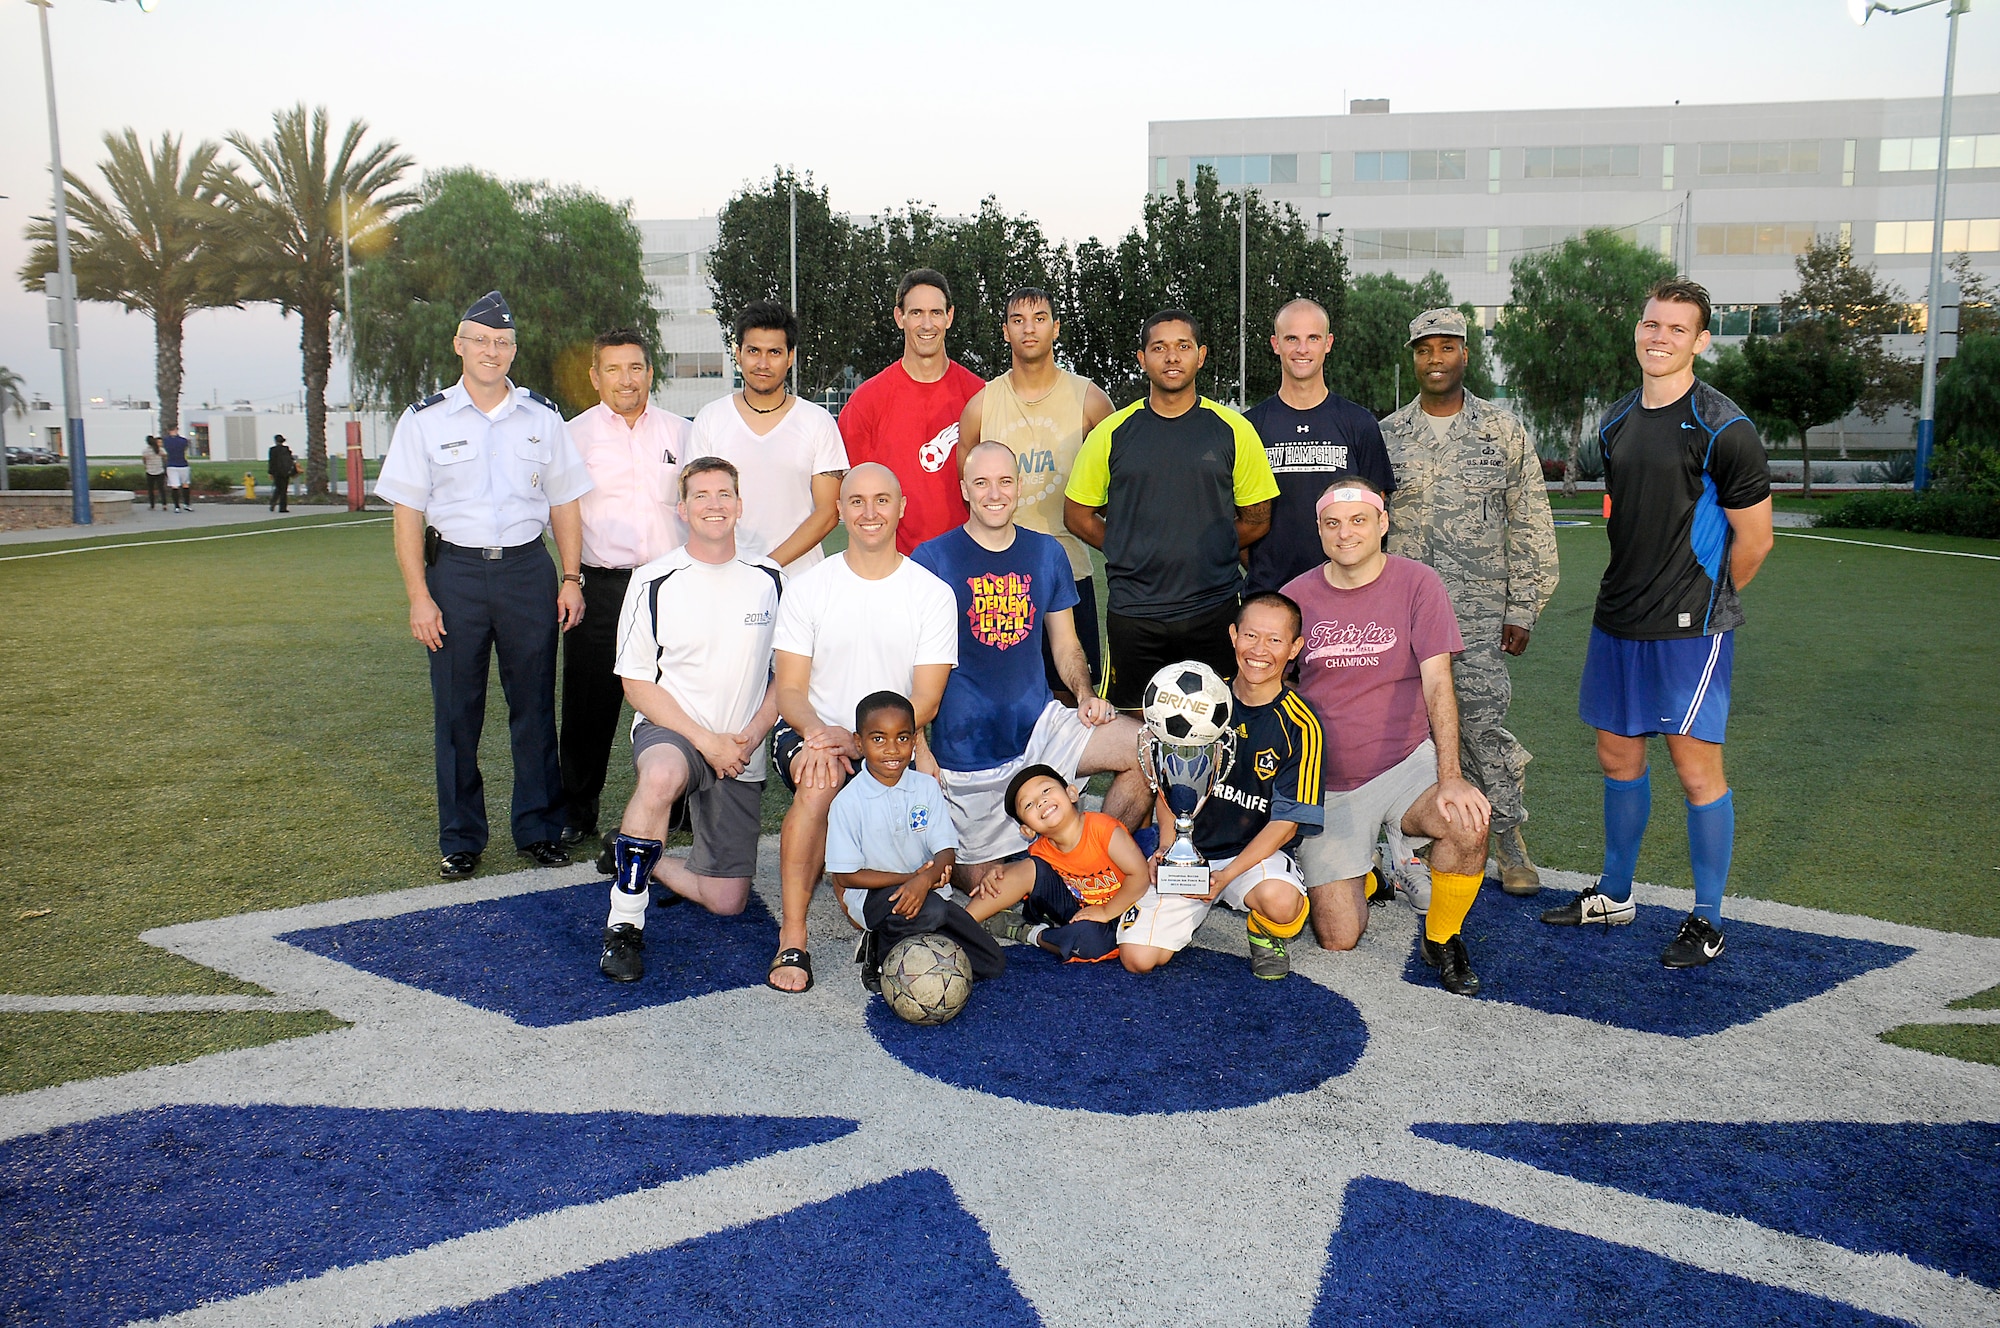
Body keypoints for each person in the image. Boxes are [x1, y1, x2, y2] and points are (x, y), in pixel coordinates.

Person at [1542, 278, 1773, 968]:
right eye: (1651, 325)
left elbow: (1755, 541)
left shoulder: (1724, 428)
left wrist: (1706, 603)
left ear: (1701, 341)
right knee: (1617, 755)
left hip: (1688, 630)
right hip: (1617, 617)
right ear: (1637, 331)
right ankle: (1616, 893)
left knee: (1696, 768)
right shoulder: (1615, 423)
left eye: (1677, 329)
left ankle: (1707, 920)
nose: (1660, 337)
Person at [375, 290, 592, 880]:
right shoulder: (424, 420)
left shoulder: (543, 418)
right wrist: (420, 595)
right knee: (456, 713)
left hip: (527, 570)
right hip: (455, 576)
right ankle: (461, 837)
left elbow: (565, 501)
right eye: (479, 340)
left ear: (513, 350)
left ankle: (541, 829)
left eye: (501, 343)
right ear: (459, 346)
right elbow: (407, 515)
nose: (490, 351)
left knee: (534, 708)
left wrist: (571, 578)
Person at [1283, 476, 1493, 997]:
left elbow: (1439, 682)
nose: (1345, 533)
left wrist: (1451, 778)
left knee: (1466, 823)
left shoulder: (1419, 583)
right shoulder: (1295, 596)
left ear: (1383, 523)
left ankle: (1442, 937)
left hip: (1403, 764)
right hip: (1327, 782)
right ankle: (1378, 870)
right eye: (1333, 523)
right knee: (1338, 937)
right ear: (1319, 530)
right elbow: (1272, 685)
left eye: (1358, 520)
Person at [912, 440, 1151, 893]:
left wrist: (1084, 696)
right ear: (964, 489)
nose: (994, 493)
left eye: (1005, 481)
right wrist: (921, 750)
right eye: (981, 483)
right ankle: (1023, 855)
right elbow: (911, 664)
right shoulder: (932, 559)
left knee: (1145, 747)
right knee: (986, 887)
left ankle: (1088, 866)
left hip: (1040, 726)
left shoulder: (1046, 553)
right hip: (966, 751)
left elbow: (1065, 644)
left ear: (1019, 486)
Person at [1380, 308, 1560, 897]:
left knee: (1481, 724)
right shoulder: (1387, 435)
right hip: (1403, 611)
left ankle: (1507, 837)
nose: (1435, 359)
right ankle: (1425, 833)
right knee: (1406, 723)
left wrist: (1523, 606)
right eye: (1424, 349)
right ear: (1414, 358)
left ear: (1465, 354)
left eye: (1447, 347)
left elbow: (1530, 518)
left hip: (1478, 611)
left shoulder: (1501, 431)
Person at [765, 463, 959, 993]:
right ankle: (793, 935)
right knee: (820, 782)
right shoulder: (809, 588)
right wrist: (823, 735)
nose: (869, 512)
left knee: (874, 902)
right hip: (814, 730)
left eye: (881, 500)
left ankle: (864, 906)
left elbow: (927, 699)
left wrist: (870, 742)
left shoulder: (931, 593)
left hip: (894, 738)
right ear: (840, 510)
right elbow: (790, 692)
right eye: (855, 501)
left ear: (901, 508)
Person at [597, 457, 784, 983]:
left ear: (739, 505)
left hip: (741, 745)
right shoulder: (653, 579)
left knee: (727, 901)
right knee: (661, 776)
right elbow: (635, 682)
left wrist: (746, 738)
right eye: (701, 495)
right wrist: (706, 741)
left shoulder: (770, 578)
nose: (714, 505)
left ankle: (637, 853)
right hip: (674, 732)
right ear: (683, 509)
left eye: (724, 493)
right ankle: (624, 926)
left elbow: (785, 678)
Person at [1064, 309, 1280, 710]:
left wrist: (1209, 545)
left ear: (1200, 355)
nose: (1172, 357)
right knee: (1132, 731)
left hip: (1213, 609)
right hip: (1135, 613)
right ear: (1142, 359)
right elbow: (1077, 513)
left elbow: (1258, 518)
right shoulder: (1112, 432)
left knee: (1216, 724)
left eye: (1183, 346)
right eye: (1159, 347)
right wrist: (1126, 546)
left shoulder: (1233, 428)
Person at [1118, 592, 1324, 980]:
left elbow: (1288, 823)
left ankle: (1263, 933)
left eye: (1275, 640)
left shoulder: (1302, 725)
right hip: (1188, 851)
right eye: (1250, 636)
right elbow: (1168, 785)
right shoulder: (1192, 700)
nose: (1259, 650)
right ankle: (1183, 875)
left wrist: (1225, 878)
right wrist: (1166, 847)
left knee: (1280, 903)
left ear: (1295, 647)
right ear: (1233, 635)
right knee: (1137, 958)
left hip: (1249, 856)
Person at [559, 329, 691, 855]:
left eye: (635, 367)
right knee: (589, 704)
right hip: (602, 585)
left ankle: (680, 804)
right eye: (613, 369)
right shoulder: (572, 437)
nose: (625, 379)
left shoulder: (683, 433)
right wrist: (573, 575)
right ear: (595, 377)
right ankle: (576, 810)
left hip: (670, 587)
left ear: (650, 373)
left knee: (676, 699)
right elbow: (558, 514)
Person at [958, 287, 1116, 697]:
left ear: (1056, 328)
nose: (1030, 329)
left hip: (1070, 568)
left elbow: (1119, 488)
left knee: (1069, 692)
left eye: (1040, 319)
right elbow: (970, 492)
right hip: (998, 576)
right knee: (1000, 690)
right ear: (1006, 331)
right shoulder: (981, 405)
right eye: (1018, 320)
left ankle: (1060, 766)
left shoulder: (1091, 400)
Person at [826, 690, 1007, 994]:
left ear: (913, 741)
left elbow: (946, 850)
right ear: (859, 743)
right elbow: (846, 876)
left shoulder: (925, 787)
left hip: (929, 890)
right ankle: (881, 949)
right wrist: (914, 880)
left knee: (991, 963)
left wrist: (925, 880)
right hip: (874, 898)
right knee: (933, 912)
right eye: (879, 739)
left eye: (903, 738)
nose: (892, 749)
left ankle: (919, 935)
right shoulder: (847, 802)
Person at [1242, 298, 1396, 596]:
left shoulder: (1359, 423)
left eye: (1313, 338)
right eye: (1292, 339)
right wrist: (1266, 568)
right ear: (1276, 344)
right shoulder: (1249, 428)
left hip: (1346, 592)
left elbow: (1376, 512)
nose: (1302, 349)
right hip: (1271, 594)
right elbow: (1240, 518)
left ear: (1328, 343)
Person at [689, 301, 845, 578]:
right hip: (726, 578)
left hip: (801, 581)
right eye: (753, 351)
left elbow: (828, 512)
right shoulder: (710, 419)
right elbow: (698, 503)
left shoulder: (817, 421)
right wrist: (739, 570)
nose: (763, 363)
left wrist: (766, 566)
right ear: (738, 354)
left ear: (790, 357)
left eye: (774, 352)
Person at [838, 269, 984, 554]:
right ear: (899, 317)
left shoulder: (980, 397)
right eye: (916, 313)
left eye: (936, 313)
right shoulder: (865, 403)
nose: (927, 324)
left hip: (967, 564)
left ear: (949, 317)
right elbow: (853, 499)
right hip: (894, 568)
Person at [966, 765, 1150, 964]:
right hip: (1079, 912)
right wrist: (999, 871)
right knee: (1022, 870)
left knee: (1088, 941)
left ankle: (1031, 933)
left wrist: (1106, 912)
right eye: (1028, 805)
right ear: (1027, 830)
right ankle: (961, 923)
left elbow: (1140, 876)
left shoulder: (1103, 829)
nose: (1040, 801)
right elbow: (1029, 874)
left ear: (1071, 793)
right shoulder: (1040, 849)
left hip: (1127, 911)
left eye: (1046, 790)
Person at [162, 427, 192, 512]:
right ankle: (186, 504)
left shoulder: (166, 441)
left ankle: (177, 506)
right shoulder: (183, 441)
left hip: (171, 465)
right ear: (177, 430)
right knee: (185, 484)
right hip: (183, 464)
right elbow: (185, 448)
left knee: (174, 486)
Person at [266, 434, 297, 512]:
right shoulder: (286, 449)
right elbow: (291, 459)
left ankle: (273, 502)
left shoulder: (272, 450)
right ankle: (282, 507)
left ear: (275, 441)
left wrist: (270, 472)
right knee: (283, 490)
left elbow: (272, 462)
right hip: (286, 472)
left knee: (278, 488)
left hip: (277, 472)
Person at [141, 437, 167, 510]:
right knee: (161, 489)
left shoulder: (146, 451)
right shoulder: (159, 449)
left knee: (151, 489)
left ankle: (152, 505)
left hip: (150, 471)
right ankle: (164, 504)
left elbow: (144, 460)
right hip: (159, 470)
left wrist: (146, 465)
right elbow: (165, 456)